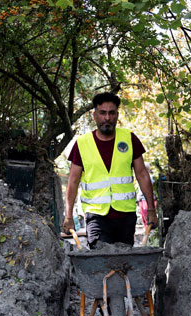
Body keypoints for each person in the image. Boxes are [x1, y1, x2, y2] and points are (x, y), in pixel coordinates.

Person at [62, 92, 158, 248]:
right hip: (96, 216)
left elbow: (142, 175)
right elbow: (73, 181)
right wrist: (68, 216)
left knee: (124, 262)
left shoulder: (129, 139)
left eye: (111, 113)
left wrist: (151, 210)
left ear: (117, 115)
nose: (107, 117)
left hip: (125, 216)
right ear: (95, 115)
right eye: (102, 113)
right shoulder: (82, 144)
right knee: (101, 258)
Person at [137, 162, 158, 230]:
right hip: (146, 200)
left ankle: (148, 234)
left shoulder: (148, 178)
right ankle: (148, 234)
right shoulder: (150, 178)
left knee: (147, 220)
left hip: (144, 200)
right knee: (147, 219)